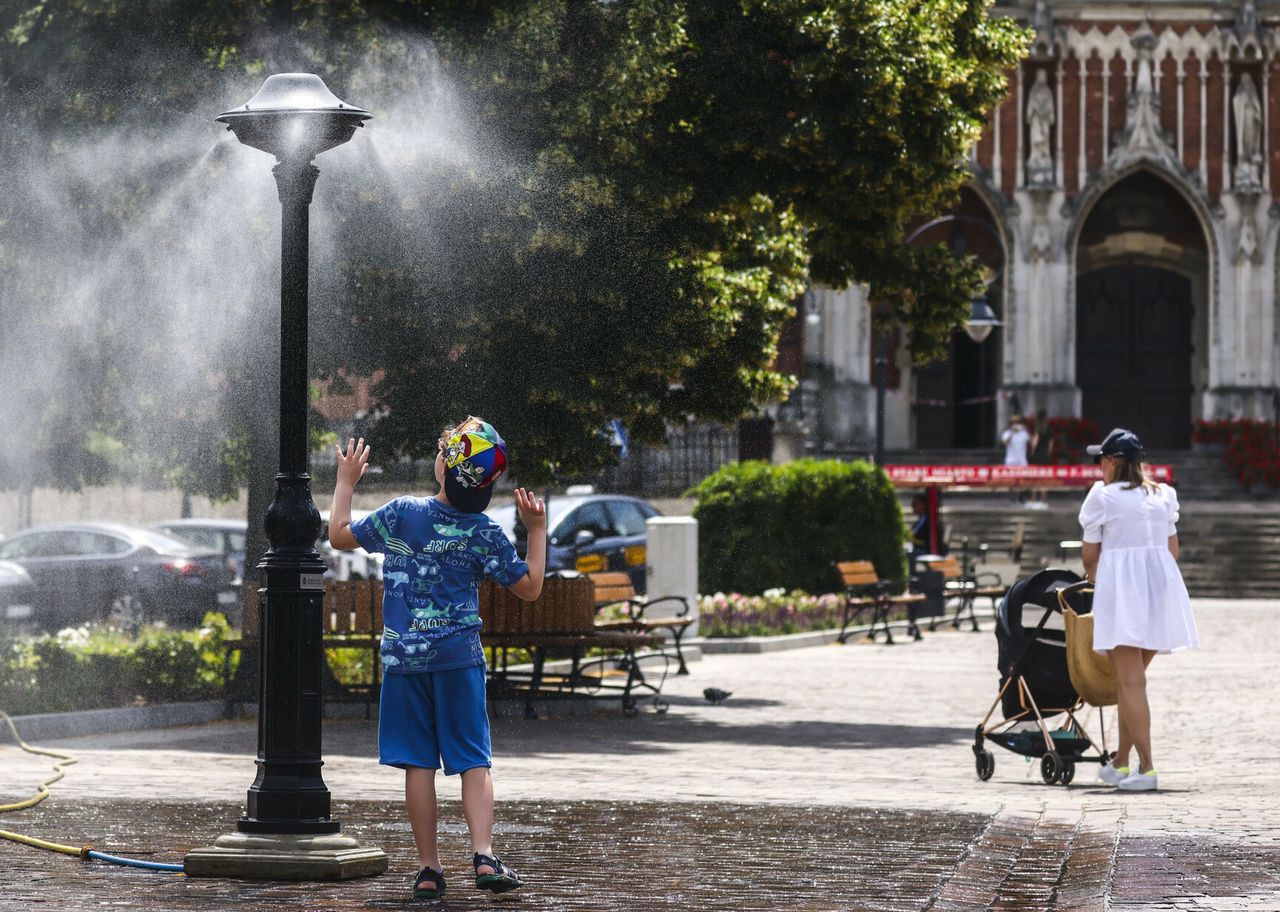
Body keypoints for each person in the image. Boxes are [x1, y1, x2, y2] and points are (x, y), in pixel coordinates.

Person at [329, 417, 546, 900]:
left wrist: (345, 482)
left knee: (419, 766)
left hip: (405, 663)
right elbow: (530, 587)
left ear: (444, 466)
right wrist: (536, 530)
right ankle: (484, 855)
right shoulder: (483, 532)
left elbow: (340, 536)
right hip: (459, 662)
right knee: (473, 762)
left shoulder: (403, 513)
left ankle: (429, 870)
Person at [1078, 428, 1198, 793]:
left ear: (1113, 462)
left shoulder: (1103, 496)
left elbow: (1089, 557)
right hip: (1161, 593)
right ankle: (1121, 762)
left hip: (1124, 596)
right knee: (1130, 684)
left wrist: (1106, 585)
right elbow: (1172, 550)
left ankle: (1146, 767)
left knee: (1130, 683)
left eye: (1101, 459)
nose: (1098, 465)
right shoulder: (1163, 494)